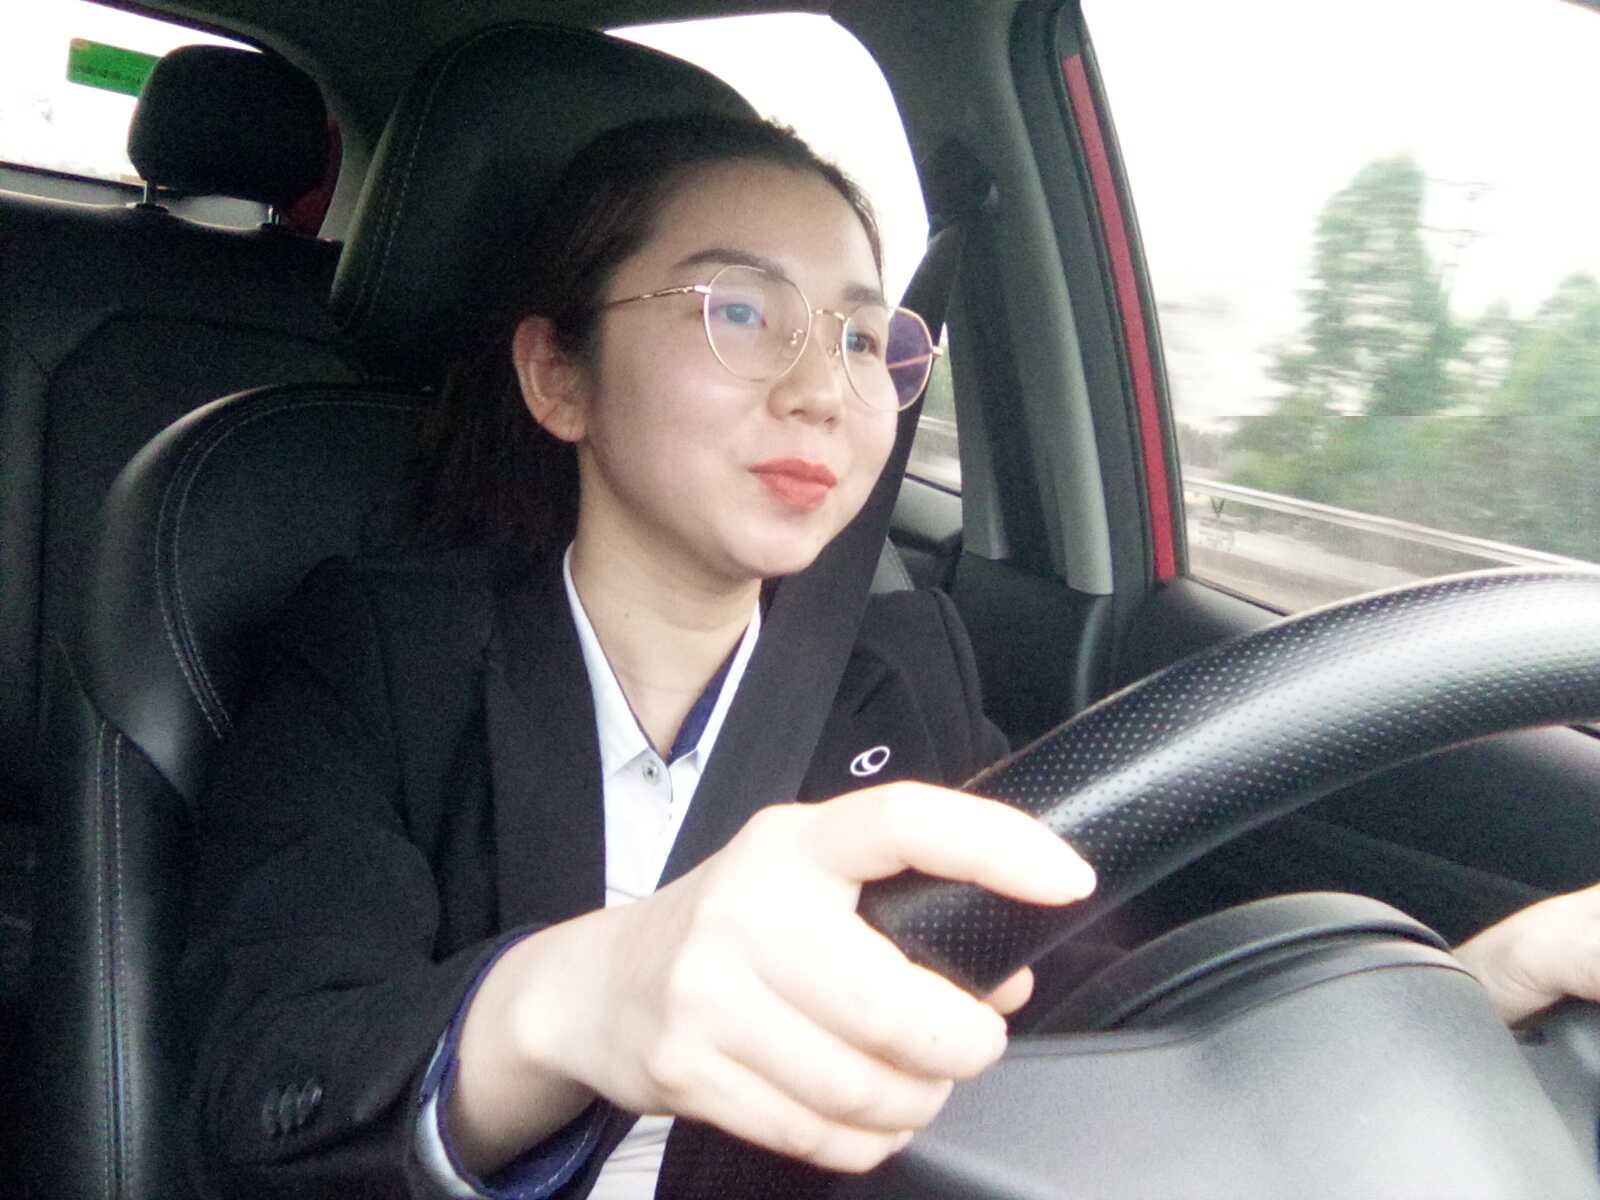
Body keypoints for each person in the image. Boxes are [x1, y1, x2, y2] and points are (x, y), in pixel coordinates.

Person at [181, 111, 1600, 1200]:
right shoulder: (378, 646)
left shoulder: (904, 662)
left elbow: (1080, 1021)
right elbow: (270, 1084)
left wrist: (1458, 995)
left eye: (864, 336)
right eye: (739, 310)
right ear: (560, 376)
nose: (824, 388)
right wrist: (587, 999)